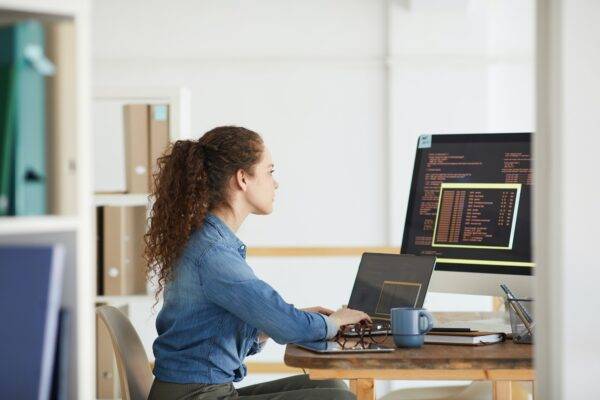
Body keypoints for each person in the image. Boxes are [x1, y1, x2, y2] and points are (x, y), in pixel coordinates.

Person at [145, 126, 370, 399]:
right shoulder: (213, 254)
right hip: (195, 395)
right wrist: (331, 322)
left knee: (332, 387)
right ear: (242, 178)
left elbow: (218, 330)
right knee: (337, 399)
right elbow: (288, 327)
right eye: (270, 171)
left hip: (201, 390)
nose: (275, 183)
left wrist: (282, 323)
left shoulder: (211, 241)